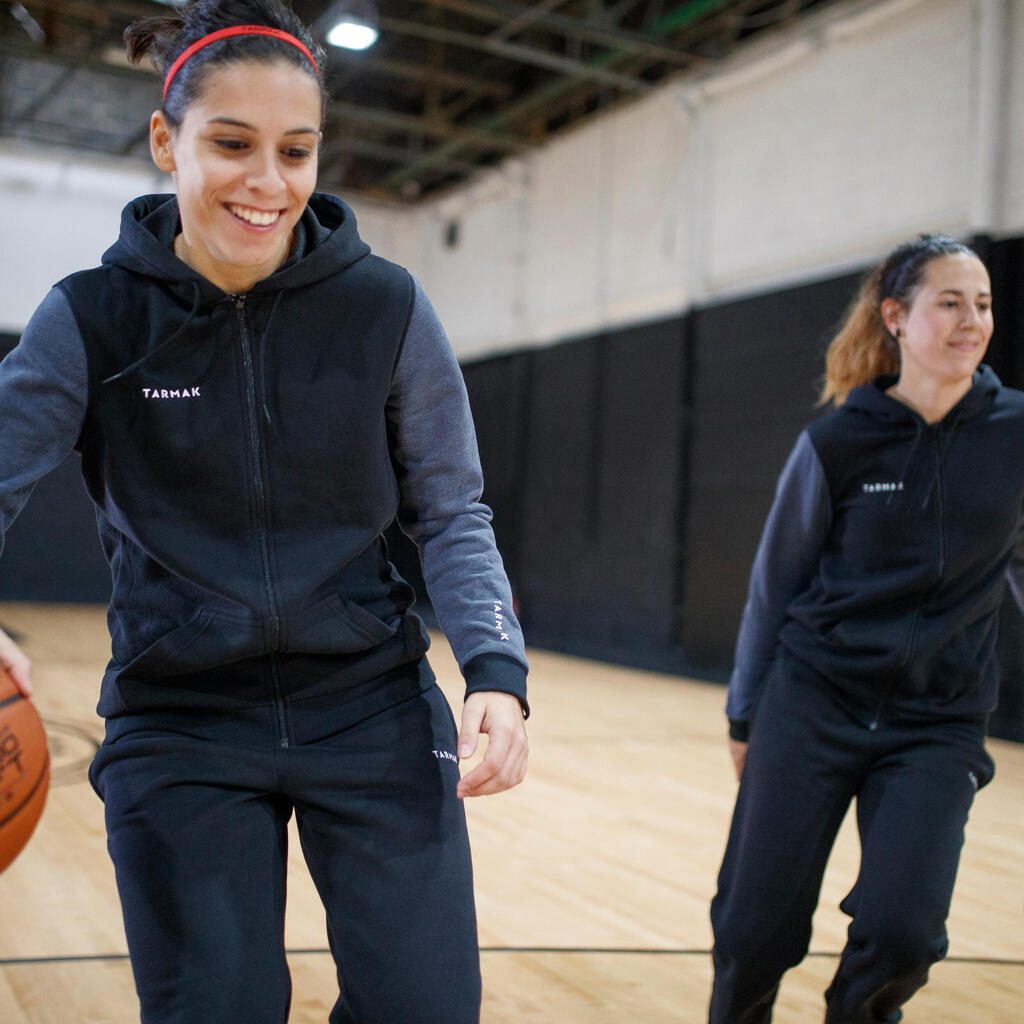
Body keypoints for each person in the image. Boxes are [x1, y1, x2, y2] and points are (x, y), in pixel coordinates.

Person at [0, 1, 528, 1021]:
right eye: (231, 144)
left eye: (297, 150)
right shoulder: (91, 317)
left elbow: (453, 510)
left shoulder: (387, 307)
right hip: (181, 715)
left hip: (369, 705)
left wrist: (495, 673)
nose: (269, 182)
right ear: (166, 140)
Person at [707, 234, 1020, 1023]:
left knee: (903, 932)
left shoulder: (1017, 433)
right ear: (895, 316)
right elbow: (773, 586)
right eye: (949, 302)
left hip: (938, 722)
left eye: (981, 304)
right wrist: (747, 713)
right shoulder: (838, 440)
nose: (971, 320)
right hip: (812, 706)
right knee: (754, 928)